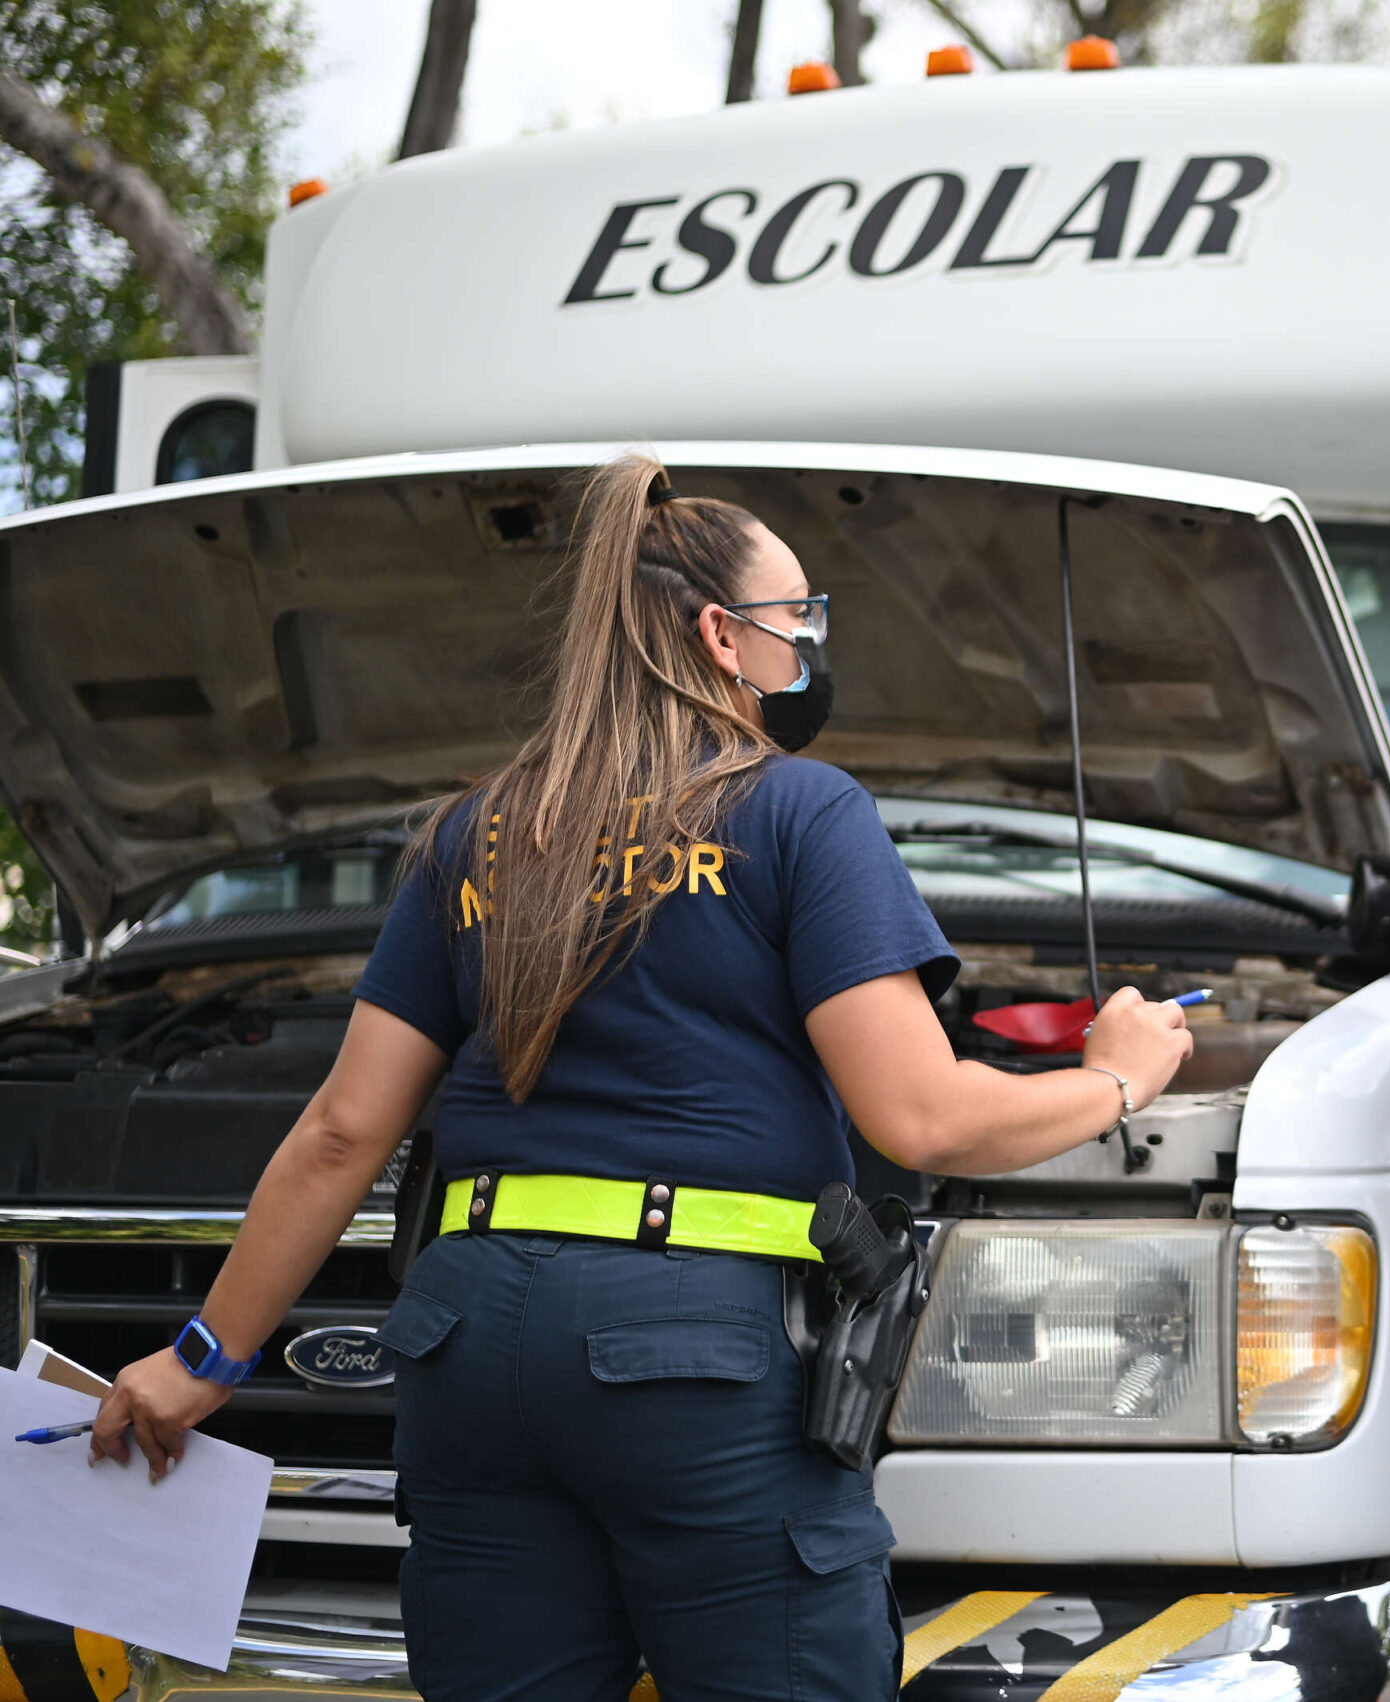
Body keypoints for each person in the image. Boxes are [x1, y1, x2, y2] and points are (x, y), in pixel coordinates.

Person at [87, 454, 1196, 1702]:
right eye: (800, 617)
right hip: (691, 1357)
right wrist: (1115, 1079)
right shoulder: (798, 813)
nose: (811, 644)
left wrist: (200, 1359)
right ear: (723, 637)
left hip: (466, 1348)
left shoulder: (479, 831)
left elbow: (344, 1131)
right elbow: (925, 1114)